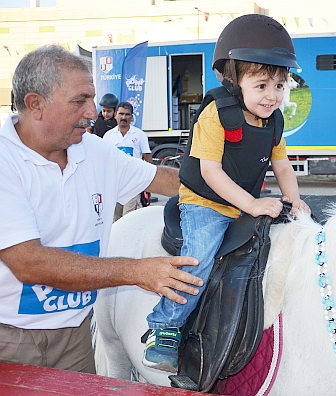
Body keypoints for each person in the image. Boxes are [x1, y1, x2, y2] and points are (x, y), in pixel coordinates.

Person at [0, 44, 203, 374]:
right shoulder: (4, 161)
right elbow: (28, 263)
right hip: (11, 339)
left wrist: (235, 193)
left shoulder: (95, 152)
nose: (93, 112)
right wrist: (137, 271)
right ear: (35, 105)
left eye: (92, 99)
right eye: (80, 100)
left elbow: (165, 180)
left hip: (77, 335)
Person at [142, 14, 311, 373]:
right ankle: (165, 326)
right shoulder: (217, 116)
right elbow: (210, 171)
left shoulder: (274, 122)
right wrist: (251, 203)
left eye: (280, 86)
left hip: (242, 205)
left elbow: (282, 167)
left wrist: (294, 200)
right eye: (262, 84)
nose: (273, 95)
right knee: (199, 260)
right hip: (206, 204)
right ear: (235, 81)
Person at [103, 101, 153, 222]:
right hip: (114, 183)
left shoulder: (139, 135)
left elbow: (147, 157)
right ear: (115, 115)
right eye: (121, 114)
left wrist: (149, 182)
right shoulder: (109, 136)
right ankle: (116, 240)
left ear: (131, 116)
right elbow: (103, 159)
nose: (124, 117)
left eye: (127, 114)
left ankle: (126, 240)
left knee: (128, 217)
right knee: (115, 217)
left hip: (133, 181)